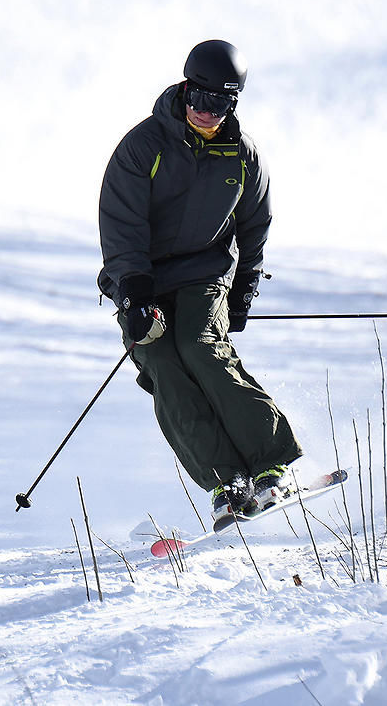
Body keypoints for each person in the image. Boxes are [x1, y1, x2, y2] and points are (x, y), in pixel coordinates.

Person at [97, 39, 303, 525]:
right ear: (185, 88)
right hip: (141, 281)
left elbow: (255, 225)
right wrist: (134, 292)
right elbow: (121, 224)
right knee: (165, 366)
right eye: (198, 98)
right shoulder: (144, 146)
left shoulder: (243, 157)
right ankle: (225, 480)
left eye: (219, 102)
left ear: (233, 103)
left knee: (200, 347)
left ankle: (270, 461)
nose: (205, 111)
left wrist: (244, 286)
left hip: (204, 273)